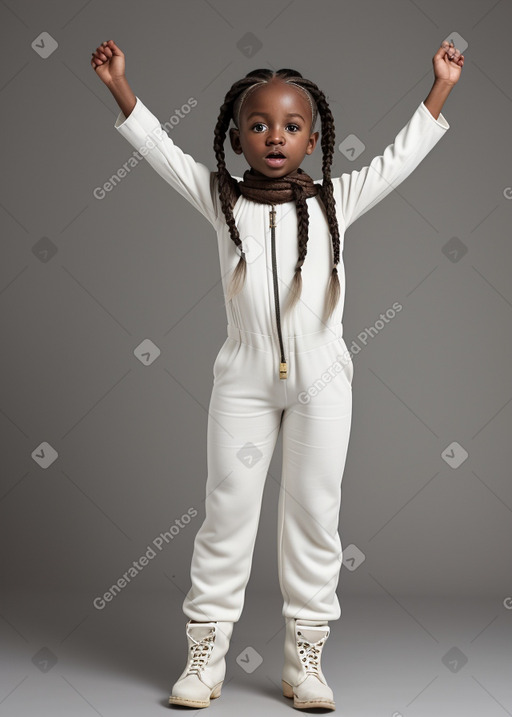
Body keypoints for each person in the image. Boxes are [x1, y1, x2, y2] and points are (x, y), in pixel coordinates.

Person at [91, 37, 464, 711]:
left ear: (313, 137)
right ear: (237, 137)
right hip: (243, 380)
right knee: (226, 515)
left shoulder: (337, 198)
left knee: (316, 517)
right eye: (258, 124)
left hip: (325, 383)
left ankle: (305, 662)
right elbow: (160, 154)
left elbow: (399, 159)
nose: (274, 135)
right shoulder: (221, 199)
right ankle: (204, 658)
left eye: (291, 126)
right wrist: (121, 86)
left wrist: (439, 88)